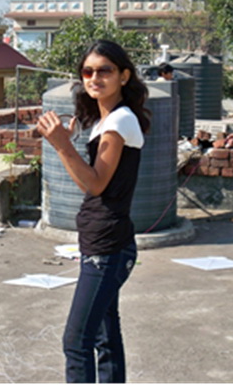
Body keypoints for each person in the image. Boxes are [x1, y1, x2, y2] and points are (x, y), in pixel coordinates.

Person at [37, 40, 150, 383]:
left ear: (124, 76)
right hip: (103, 240)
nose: (94, 78)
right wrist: (65, 145)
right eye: (88, 71)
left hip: (107, 246)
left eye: (105, 71)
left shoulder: (119, 121)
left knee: (76, 342)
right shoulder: (107, 121)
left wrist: (62, 145)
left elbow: (96, 184)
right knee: (105, 336)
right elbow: (89, 182)